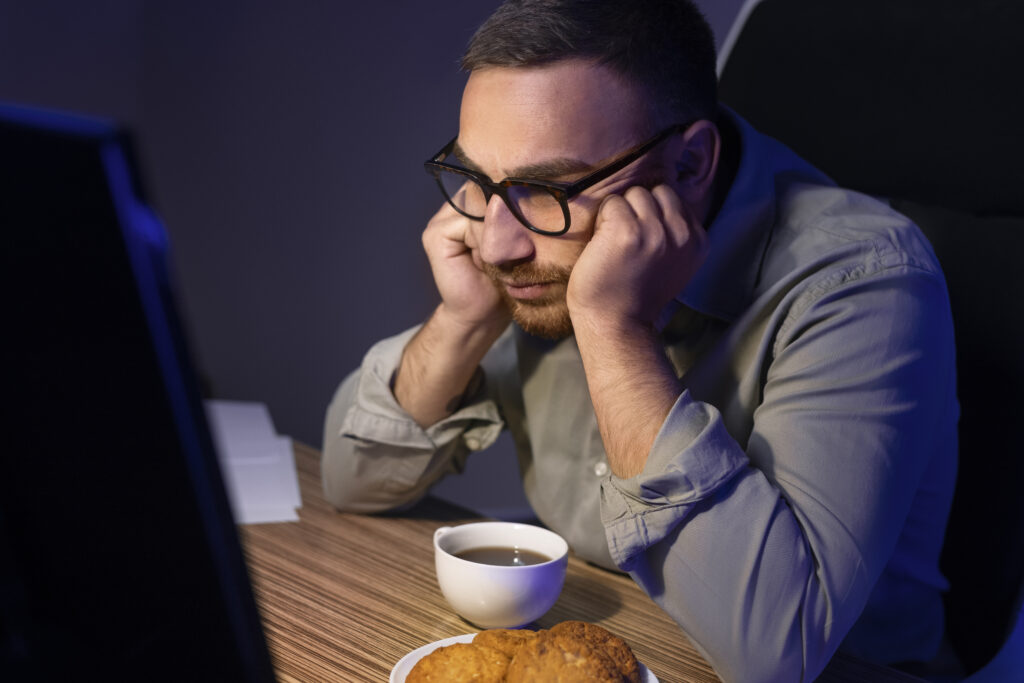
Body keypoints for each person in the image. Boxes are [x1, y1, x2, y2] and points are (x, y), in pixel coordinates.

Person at [322, 1, 959, 680]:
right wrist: (464, 320)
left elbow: (776, 651)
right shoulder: (521, 255)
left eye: (544, 189)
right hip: (604, 640)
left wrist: (613, 330)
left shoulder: (866, 278)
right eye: (476, 179)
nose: (496, 243)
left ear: (689, 165)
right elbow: (350, 479)